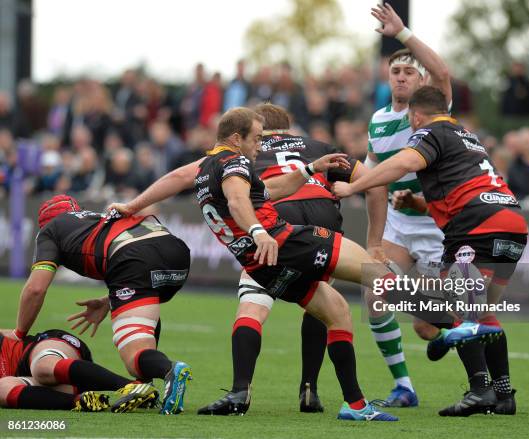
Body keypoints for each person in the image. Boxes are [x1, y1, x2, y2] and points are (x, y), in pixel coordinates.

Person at [108, 107, 500, 421]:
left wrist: (132, 204)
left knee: (338, 313)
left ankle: (355, 404)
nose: (260, 146)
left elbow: (263, 189)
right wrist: (259, 232)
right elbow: (242, 201)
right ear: (235, 138)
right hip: (284, 242)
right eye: (256, 139)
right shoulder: (234, 165)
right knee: (377, 276)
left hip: (263, 266)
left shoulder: (205, 166)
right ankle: (453, 323)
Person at [333, 86, 529, 417]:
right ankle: (502, 394)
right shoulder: (466, 135)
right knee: (481, 315)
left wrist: (353, 186)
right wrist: (415, 202)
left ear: (416, 116)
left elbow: (403, 163)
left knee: (450, 307)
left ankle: (480, 390)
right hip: (511, 225)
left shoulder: (431, 131)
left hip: (476, 228)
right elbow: (464, 191)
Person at [235, 103, 387, 413]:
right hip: (323, 220)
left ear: (258, 130)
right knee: (335, 305)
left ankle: (240, 391)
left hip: (277, 222)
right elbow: (376, 183)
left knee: (253, 305)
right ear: (289, 128)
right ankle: (311, 389)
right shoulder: (317, 146)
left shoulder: (248, 153)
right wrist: (374, 242)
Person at [11, 194, 192, 415]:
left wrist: (20, 333)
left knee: (133, 356)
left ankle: (170, 370)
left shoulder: (50, 230)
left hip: (135, 258)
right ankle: (143, 384)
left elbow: (35, 289)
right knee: (143, 310)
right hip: (177, 252)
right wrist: (109, 300)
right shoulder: (96, 217)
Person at [364, 2, 452, 406]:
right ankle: (404, 387)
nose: (401, 76)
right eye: (395, 71)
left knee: (426, 327)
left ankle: (457, 335)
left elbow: (444, 72)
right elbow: (373, 185)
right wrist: (375, 241)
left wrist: (401, 33)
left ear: (420, 79)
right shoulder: (378, 120)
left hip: (435, 225)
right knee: (374, 290)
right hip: (400, 226)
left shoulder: (431, 110)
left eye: (408, 71)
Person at [0, 328, 155, 412]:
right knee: (2, 389)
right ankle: (81, 402)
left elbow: (11, 333)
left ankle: (133, 386)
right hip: (40, 384)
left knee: (42, 368)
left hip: (43, 347)